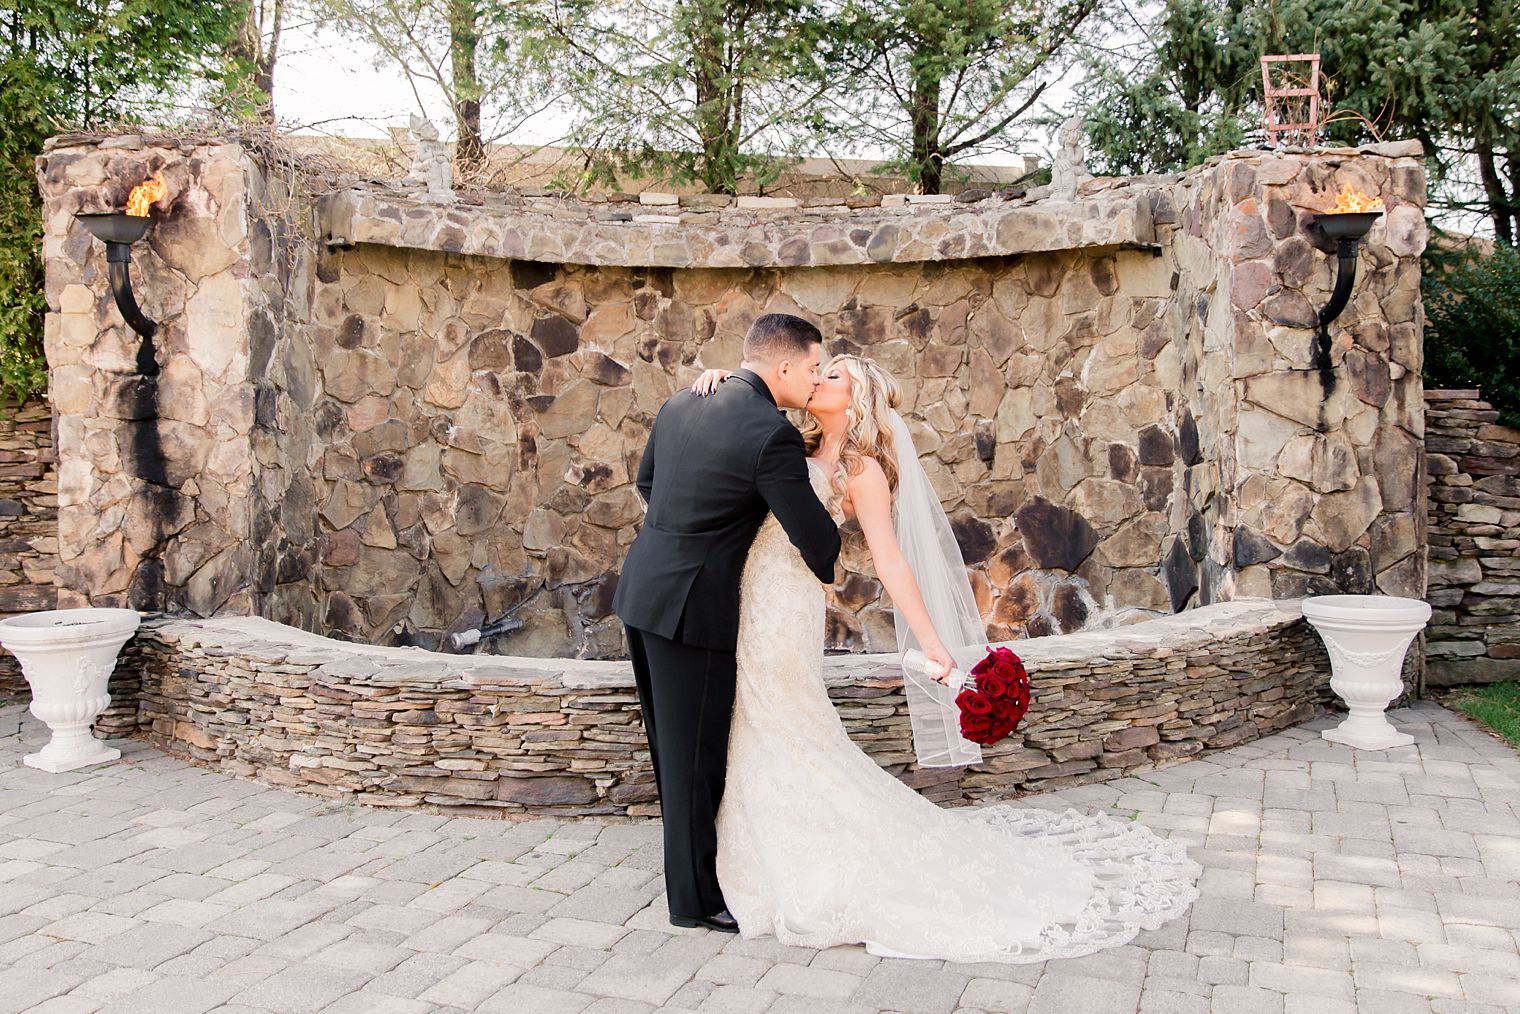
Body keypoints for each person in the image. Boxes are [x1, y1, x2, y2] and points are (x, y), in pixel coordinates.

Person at [689, 353, 1201, 962]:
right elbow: (751, 407)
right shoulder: (785, 440)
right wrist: (720, 379)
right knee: (753, 721)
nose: (818, 378)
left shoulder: (864, 471)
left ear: (857, 402)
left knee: (781, 718)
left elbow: (891, 559)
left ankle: (797, 860)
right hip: (746, 595)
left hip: (788, 606)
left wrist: (934, 644)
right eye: (818, 370)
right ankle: (759, 848)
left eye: (832, 376)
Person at [612, 313, 841, 933]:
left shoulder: (683, 401)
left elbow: (648, 482)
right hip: (694, 609)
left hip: (642, 591)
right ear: (786, 366)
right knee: (695, 759)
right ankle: (693, 901)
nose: (817, 376)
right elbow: (820, 550)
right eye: (815, 366)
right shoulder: (773, 436)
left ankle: (690, 880)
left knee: (671, 751)